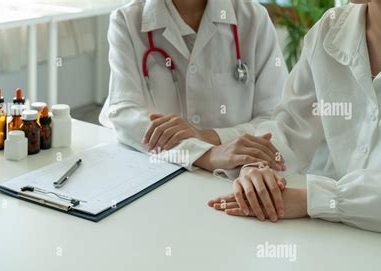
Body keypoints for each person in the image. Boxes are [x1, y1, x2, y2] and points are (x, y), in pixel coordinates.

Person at [209, 0, 381, 235]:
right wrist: (257, 167)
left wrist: (315, 199)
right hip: (333, 240)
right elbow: (290, 127)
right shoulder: (330, 29)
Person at [100, 0, 288, 171]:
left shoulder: (254, 18)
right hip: (162, 171)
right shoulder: (127, 20)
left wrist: (209, 136)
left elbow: (276, 118)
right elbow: (124, 114)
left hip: (241, 172)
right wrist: (205, 154)